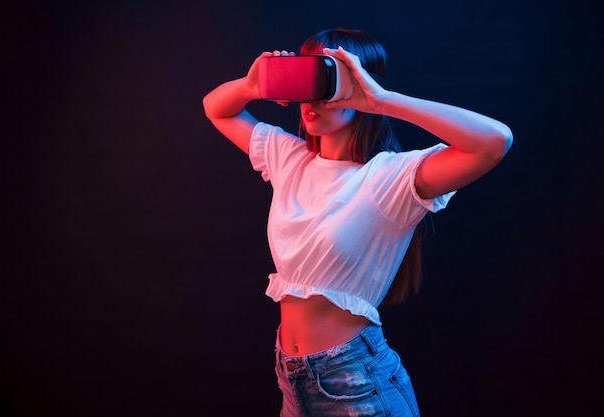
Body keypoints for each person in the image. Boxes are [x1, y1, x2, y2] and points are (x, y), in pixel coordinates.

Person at [202, 28, 512, 417]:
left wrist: (381, 101)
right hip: (291, 379)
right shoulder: (289, 159)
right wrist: (254, 83)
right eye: (307, 76)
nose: (313, 99)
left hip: (357, 385)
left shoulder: (390, 179)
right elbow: (216, 107)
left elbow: (494, 141)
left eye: (328, 79)